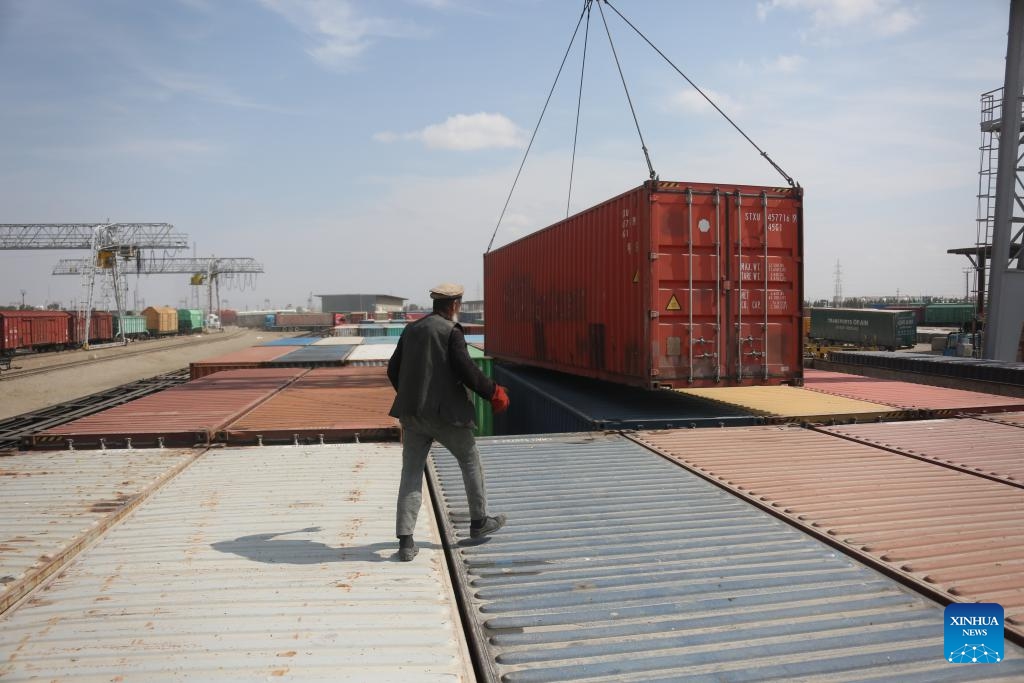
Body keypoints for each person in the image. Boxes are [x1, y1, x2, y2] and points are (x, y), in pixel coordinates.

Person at [387, 283, 510, 562]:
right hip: (448, 417)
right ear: (455, 305)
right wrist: (493, 392)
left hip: (413, 415)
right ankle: (479, 522)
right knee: (469, 461)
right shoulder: (451, 331)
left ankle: (406, 541)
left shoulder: (411, 330)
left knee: (411, 474)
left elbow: (393, 370)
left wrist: (411, 397)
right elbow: (467, 370)